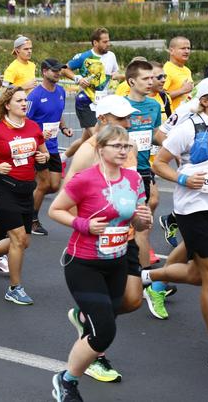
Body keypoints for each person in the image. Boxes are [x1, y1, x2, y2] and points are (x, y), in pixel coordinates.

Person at [48, 125, 151, 402]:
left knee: (109, 317)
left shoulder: (133, 179)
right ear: (100, 148)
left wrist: (143, 221)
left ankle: (83, 320)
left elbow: (136, 219)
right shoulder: (85, 179)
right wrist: (83, 224)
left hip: (116, 262)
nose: (123, 150)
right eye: (116, 145)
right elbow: (54, 210)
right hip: (84, 263)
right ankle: (67, 380)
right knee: (104, 332)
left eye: (126, 146)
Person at [151, 76, 208, 370]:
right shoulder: (187, 128)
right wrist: (182, 177)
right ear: (205, 101)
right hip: (192, 209)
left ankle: (149, 279)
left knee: (201, 273)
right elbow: (158, 162)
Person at [62, 95, 144, 383]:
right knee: (104, 320)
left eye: (128, 118)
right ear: (103, 119)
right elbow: (67, 193)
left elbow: (136, 188)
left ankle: (88, 316)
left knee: (132, 300)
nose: (128, 123)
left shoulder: (126, 148)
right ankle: (94, 350)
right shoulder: (88, 151)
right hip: (94, 245)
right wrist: (85, 224)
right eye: (121, 119)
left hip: (126, 239)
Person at [0, 86, 49, 305]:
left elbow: (43, 153)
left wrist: (42, 158)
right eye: (19, 101)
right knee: (18, 239)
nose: (24, 104)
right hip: (2, 188)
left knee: (25, 242)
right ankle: (15, 288)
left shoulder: (33, 127)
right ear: (7, 105)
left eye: (25, 101)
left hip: (25, 189)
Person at [27, 58, 73, 236]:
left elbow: (58, 113)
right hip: (38, 147)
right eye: (54, 70)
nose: (58, 73)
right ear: (44, 72)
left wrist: (64, 127)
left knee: (54, 186)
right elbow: (25, 121)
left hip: (53, 146)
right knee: (45, 183)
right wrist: (38, 137)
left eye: (59, 70)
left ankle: (27, 200)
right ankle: (31, 220)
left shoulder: (60, 91)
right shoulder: (35, 96)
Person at [62, 27, 123, 158]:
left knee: (85, 140)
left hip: (101, 103)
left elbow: (115, 71)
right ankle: (98, 169)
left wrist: (116, 75)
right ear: (95, 43)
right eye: (105, 42)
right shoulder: (84, 56)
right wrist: (78, 78)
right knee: (99, 138)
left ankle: (63, 158)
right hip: (85, 102)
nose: (108, 44)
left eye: (108, 41)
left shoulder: (111, 56)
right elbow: (64, 69)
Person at [124, 60, 162, 270]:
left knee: (142, 225)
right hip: (121, 173)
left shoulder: (154, 105)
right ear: (131, 81)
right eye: (145, 79)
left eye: (152, 78)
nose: (151, 82)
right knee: (122, 224)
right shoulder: (120, 106)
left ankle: (145, 277)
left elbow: (155, 134)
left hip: (143, 171)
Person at [163, 36, 193, 112]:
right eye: (183, 48)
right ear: (171, 51)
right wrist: (182, 90)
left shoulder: (187, 70)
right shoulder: (166, 70)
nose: (187, 51)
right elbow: (160, 97)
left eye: (188, 48)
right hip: (173, 118)